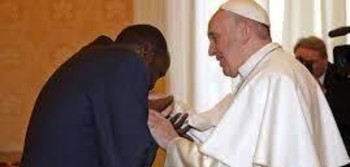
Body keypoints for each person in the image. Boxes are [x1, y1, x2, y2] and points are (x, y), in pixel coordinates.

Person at [147, 0, 350, 166]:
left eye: (214, 38)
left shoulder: (271, 79)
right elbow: (219, 134)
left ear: (243, 31)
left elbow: (230, 163)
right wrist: (172, 108)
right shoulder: (275, 70)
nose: (211, 50)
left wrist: (172, 142)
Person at [20, 24, 170, 167]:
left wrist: (141, 117)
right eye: (158, 73)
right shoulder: (127, 62)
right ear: (146, 52)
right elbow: (128, 162)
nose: (151, 86)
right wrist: (161, 136)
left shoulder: (89, 60)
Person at [294, 36, 350, 156]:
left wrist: (321, 92)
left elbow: (343, 119)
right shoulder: (293, 76)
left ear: (325, 60)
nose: (304, 67)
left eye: (310, 63)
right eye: (300, 61)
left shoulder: (342, 79)